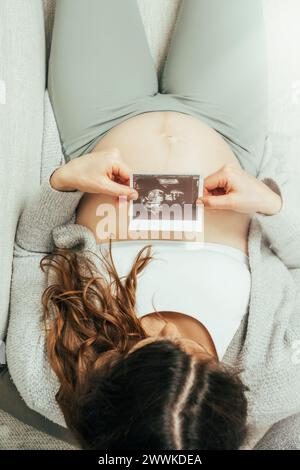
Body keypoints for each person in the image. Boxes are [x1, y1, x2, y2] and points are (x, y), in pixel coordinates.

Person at [3, 0, 300, 451]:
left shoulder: (46, 374)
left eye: (141, 346)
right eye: (202, 355)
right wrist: (268, 203)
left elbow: (25, 253)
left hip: (98, 123)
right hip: (229, 130)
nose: (168, 327)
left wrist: (65, 184)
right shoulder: (279, 374)